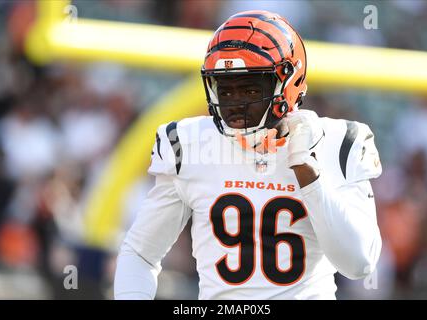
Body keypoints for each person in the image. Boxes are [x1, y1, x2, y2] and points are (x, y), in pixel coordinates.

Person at [114, 10, 382, 300]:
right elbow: (140, 253)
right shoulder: (188, 145)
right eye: (226, 91)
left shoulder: (339, 143)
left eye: (250, 88)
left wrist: (309, 174)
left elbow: (358, 264)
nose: (235, 104)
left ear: (287, 83)